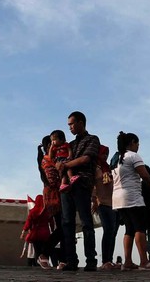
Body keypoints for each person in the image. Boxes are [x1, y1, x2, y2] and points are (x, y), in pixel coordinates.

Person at [57, 111, 100, 272]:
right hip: (67, 185)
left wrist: (66, 165)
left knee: (86, 222)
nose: (70, 127)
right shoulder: (71, 145)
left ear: (81, 123)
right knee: (67, 223)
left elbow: (86, 158)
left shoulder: (92, 139)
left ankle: (91, 260)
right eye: (68, 125)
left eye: (72, 124)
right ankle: (71, 261)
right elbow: (61, 160)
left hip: (82, 182)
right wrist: (60, 165)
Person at [112, 131, 150, 271]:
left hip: (118, 198)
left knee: (129, 229)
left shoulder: (117, 159)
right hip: (132, 196)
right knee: (140, 227)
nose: (138, 146)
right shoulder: (133, 156)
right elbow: (144, 175)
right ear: (132, 142)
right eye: (137, 143)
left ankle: (127, 261)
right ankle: (144, 261)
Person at [92, 144, 118, 270]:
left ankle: (109, 259)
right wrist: (94, 201)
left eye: (107, 154)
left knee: (112, 232)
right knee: (107, 230)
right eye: (103, 153)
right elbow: (93, 186)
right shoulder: (95, 168)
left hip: (112, 204)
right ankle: (105, 260)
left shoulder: (108, 168)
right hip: (101, 203)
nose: (105, 156)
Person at [38, 135, 63, 267]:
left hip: (54, 197)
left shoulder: (50, 160)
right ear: (49, 146)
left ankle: (63, 260)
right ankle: (44, 253)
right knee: (62, 228)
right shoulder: (48, 161)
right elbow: (52, 181)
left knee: (63, 228)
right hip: (55, 198)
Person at [21, 194, 55, 269]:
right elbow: (51, 222)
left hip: (35, 234)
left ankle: (39, 266)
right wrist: (52, 230)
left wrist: (23, 232)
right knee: (45, 250)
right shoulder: (47, 212)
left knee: (37, 251)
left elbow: (28, 223)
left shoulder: (33, 212)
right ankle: (46, 263)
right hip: (45, 234)